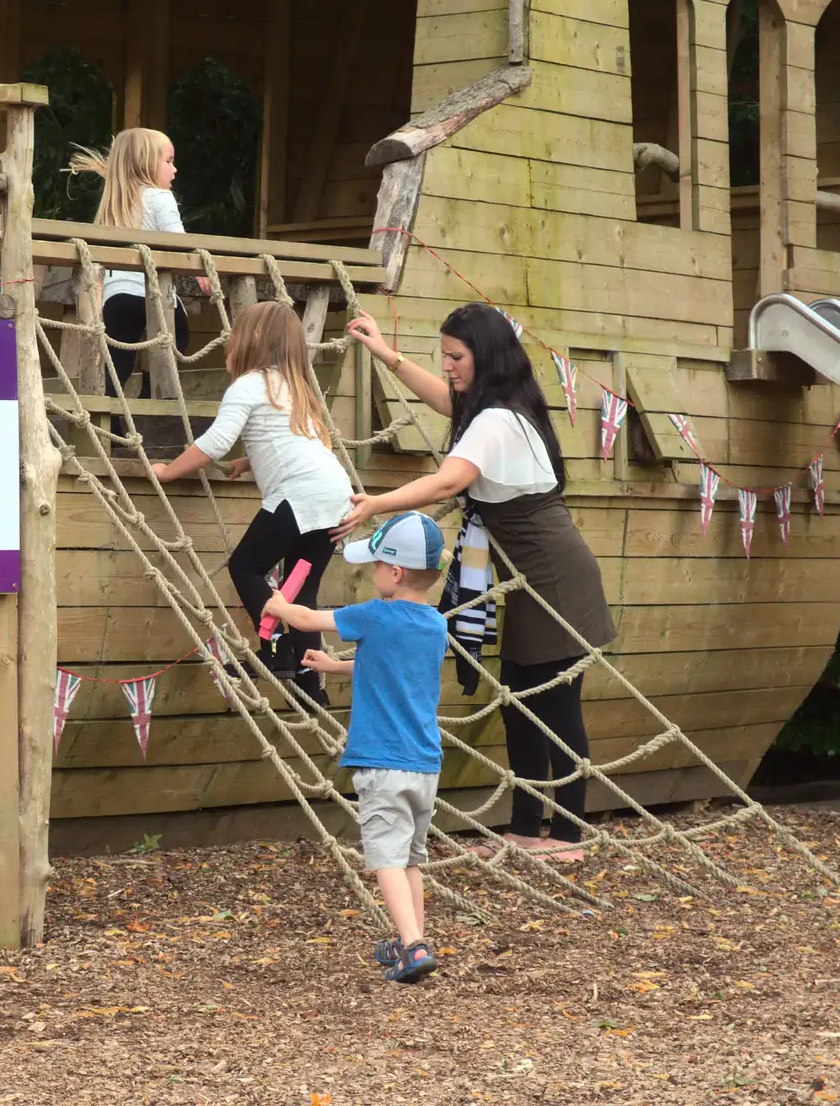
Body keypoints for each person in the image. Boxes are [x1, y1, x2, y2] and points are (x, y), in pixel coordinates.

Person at [338, 301, 616, 861]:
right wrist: (387, 354)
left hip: (555, 578)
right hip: (528, 579)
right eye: (443, 356)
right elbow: (444, 400)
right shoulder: (494, 410)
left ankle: (566, 837)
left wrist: (377, 504)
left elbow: (448, 483)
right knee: (518, 700)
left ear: (484, 357)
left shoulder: (497, 421)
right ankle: (523, 827)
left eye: (456, 356)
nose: (447, 367)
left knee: (555, 705)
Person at [263, 510, 450, 984]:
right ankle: (414, 937)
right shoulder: (433, 624)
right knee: (409, 858)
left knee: (385, 856)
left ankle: (412, 946)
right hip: (424, 765)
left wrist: (276, 605)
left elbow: (306, 616)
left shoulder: (376, 614)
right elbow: (392, 668)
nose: (371, 575)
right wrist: (335, 667)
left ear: (395, 571)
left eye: (375, 567)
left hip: (383, 762)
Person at [148, 300, 353, 696]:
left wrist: (169, 470)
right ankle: (311, 682)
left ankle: (274, 650)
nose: (229, 342)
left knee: (246, 566)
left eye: (235, 334)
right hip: (334, 493)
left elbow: (215, 443)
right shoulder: (296, 386)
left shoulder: (250, 384)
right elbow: (291, 443)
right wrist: (251, 461)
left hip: (301, 492)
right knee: (302, 588)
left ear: (255, 339)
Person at [68, 128, 200, 396]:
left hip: (116, 298)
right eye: (168, 161)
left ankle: (112, 429)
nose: (174, 169)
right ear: (146, 163)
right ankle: (152, 400)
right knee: (174, 344)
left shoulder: (114, 203)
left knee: (116, 368)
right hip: (154, 298)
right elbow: (179, 240)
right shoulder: (159, 197)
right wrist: (199, 269)